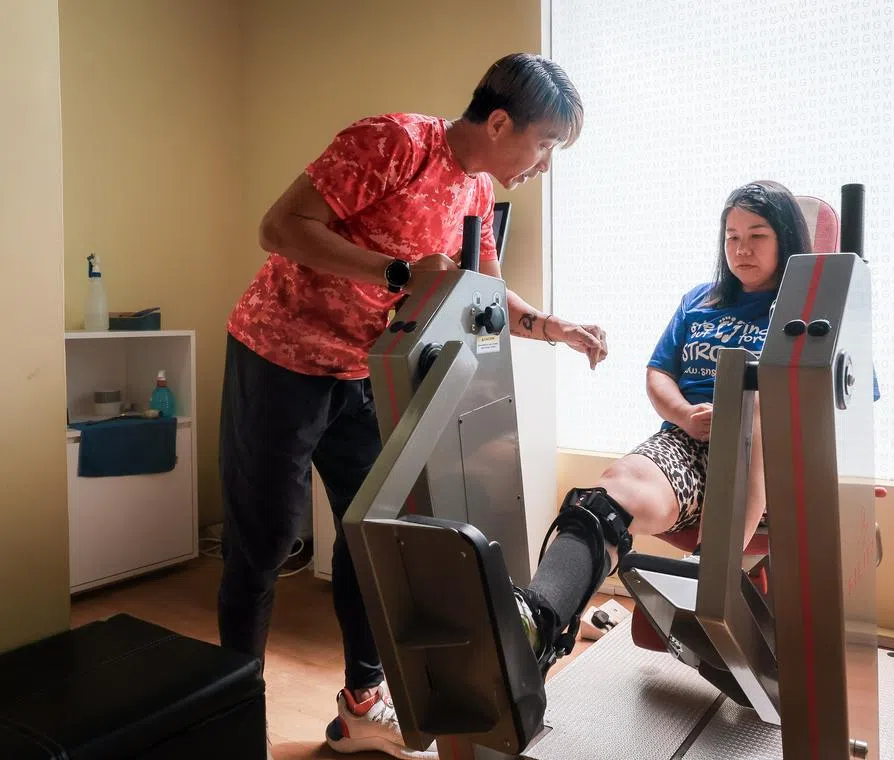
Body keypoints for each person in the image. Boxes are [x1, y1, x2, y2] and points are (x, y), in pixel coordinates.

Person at [218, 53, 608, 759]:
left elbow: (483, 290)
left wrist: (553, 327)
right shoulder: (394, 142)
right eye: (546, 143)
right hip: (279, 354)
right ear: (498, 121)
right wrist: (396, 273)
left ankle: (360, 706)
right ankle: (229, 713)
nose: (546, 163)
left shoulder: (478, 194)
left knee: (376, 539)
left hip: (362, 372)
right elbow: (281, 228)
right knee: (264, 544)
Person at [513, 180, 813, 673]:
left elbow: (840, 402)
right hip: (690, 443)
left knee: (756, 401)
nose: (741, 248)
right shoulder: (701, 300)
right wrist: (683, 415)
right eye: (731, 236)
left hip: (774, 463)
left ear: (785, 239)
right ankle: (534, 621)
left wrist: (749, 411)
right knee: (604, 504)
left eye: (757, 235)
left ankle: (707, 573)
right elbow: (659, 372)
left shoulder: (807, 312)